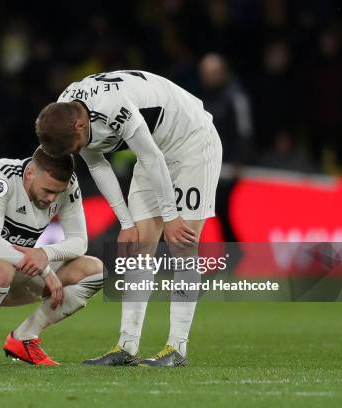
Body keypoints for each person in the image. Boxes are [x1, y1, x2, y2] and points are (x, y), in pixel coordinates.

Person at [35, 70, 222, 367]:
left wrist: (171, 216)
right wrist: (125, 222)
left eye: (76, 146)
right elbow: (97, 164)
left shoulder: (112, 106)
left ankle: (177, 348)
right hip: (155, 148)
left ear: (81, 125)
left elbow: (150, 157)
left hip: (191, 141)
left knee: (183, 245)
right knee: (138, 246)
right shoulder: (65, 112)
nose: (79, 151)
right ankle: (127, 346)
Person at [0, 147, 103, 366]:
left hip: (15, 275)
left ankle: (24, 338)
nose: (52, 198)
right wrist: (45, 270)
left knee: (94, 270)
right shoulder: (0, 175)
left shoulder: (68, 184)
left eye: (58, 192)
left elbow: (79, 241)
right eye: (47, 190)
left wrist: (45, 253)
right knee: (1, 270)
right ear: (30, 174)